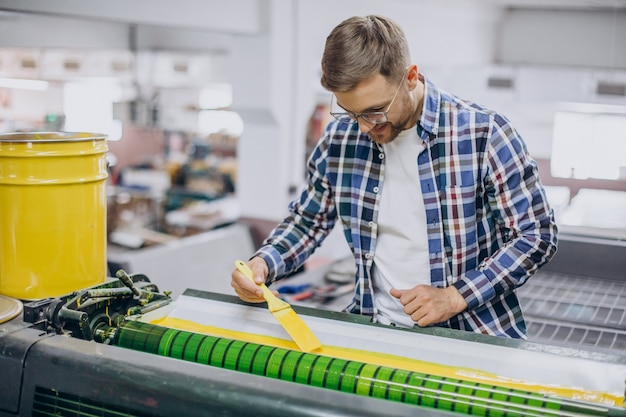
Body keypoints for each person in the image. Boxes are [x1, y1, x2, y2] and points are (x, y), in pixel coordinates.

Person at [231, 15, 558, 338]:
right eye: (351, 112)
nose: (363, 126)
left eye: (375, 110)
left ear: (411, 77)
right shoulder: (341, 139)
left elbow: (536, 234)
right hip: (377, 334)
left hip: (473, 336)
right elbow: (308, 221)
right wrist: (263, 263)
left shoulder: (483, 133)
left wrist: (456, 296)